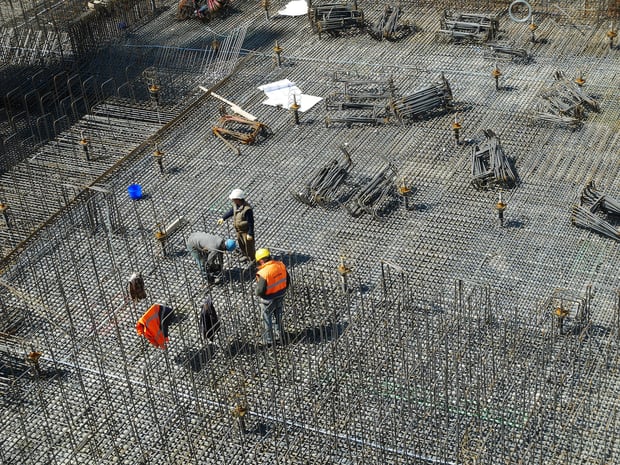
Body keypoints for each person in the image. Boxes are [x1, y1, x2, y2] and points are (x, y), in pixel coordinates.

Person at [255, 248, 290, 345]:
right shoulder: (280, 265)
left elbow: (260, 290)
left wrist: (259, 294)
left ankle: (268, 340)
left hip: (268, 299)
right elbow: (288, 280)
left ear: (261, 260)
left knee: (266, 319)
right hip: (280, 295)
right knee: (278, 315)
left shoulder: (264, 273)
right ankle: (281, 335)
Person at [218, 188, 255, 263]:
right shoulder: (236, 205)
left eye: (234, 199)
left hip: (246, 231)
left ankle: (252, 259)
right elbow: (231, 211)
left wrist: (250, 233)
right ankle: (245, 255)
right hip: (239, 230)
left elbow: (251, 222)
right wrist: (223, 218)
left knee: (249, 246)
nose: (232, 200)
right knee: (241, 244)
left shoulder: (247, 209)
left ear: (238, 199)